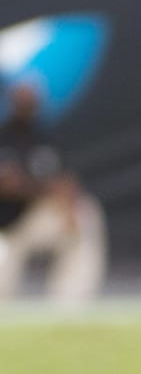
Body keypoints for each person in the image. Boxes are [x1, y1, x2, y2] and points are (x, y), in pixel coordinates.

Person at [0, 80, 107, 305]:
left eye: (31, 98)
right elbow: (9, 186)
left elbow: (65, 180)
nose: (26, 103)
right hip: (5, 227)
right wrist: (41, 188)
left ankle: (69, 306)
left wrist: (67, 203)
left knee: (85, 213)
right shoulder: (4, 136)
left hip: (33, 219)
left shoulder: (45, 137)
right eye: (21, 97)